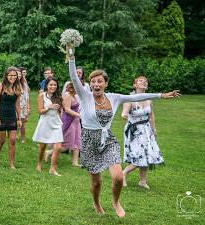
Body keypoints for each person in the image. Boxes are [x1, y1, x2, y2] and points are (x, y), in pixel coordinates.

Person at [67, 47, 180, 218]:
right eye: (93, 81)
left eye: (100, 81)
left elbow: (137, 97)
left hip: (108, 140)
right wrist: (71, 56)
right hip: (89, 141)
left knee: (118, 178)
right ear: (90, 84)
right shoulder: (85, 96)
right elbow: (74, 77)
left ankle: (115, 201)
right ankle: (96, 202)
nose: (96, 84)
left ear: (105, 83)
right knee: (96, 183)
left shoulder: (114, 97)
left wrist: (161, 95)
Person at [121, 75, 164, 189]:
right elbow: (125, 110)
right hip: (134, 130)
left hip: (146, 129)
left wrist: (153, 129)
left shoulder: (149, 99)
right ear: (135, 85)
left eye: (146, 81)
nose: (144, 82)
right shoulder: (129, 98)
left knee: (147, 154)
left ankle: (143, 181)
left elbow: (151, 116)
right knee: (139, 155)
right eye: (141, 81)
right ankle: (123, 174)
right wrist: (124, 114)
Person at [0, 66, 22, 169]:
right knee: (1, 140)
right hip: (1, 116)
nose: (12, 77)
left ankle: (11, 164)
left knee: (12, 140)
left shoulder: (18, 87)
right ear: (6, 76)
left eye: (14, 75)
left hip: (12, 116)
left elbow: (17, 104)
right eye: (10, 75)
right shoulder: (1, 85)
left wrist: (19, 118)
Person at [33, 77, 64, 176]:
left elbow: (60, 111)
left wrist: (60, 118)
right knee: (42, 146)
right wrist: (49, 107)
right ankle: (39, 163)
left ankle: (52, 169)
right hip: (45, 123)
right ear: (46, 85)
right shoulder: (42, 95)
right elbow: (40, 111)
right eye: (51, 84)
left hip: (56, 123)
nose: (53, 86)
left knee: (58, 147)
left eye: (55, 85)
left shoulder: (59, 96)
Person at [61, 81, 81, 166]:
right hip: (69, 121)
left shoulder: (74, 95)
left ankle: (75, 162)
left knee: (77, 141)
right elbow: (67, 109)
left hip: (76, 121)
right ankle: (49, 152)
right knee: (67, 144)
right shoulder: (67, 95)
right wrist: (79, 115)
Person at [18, 67, 30, 143]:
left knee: (23, 123)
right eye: (17, 74)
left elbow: (27, 97)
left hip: (23, 106)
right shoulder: (12, 84)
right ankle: (14, 135)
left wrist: (28, 107)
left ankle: (23, 138)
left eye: (20, 74)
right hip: (14, 106)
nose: (19, 75)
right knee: (14, 123)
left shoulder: (24, 84)